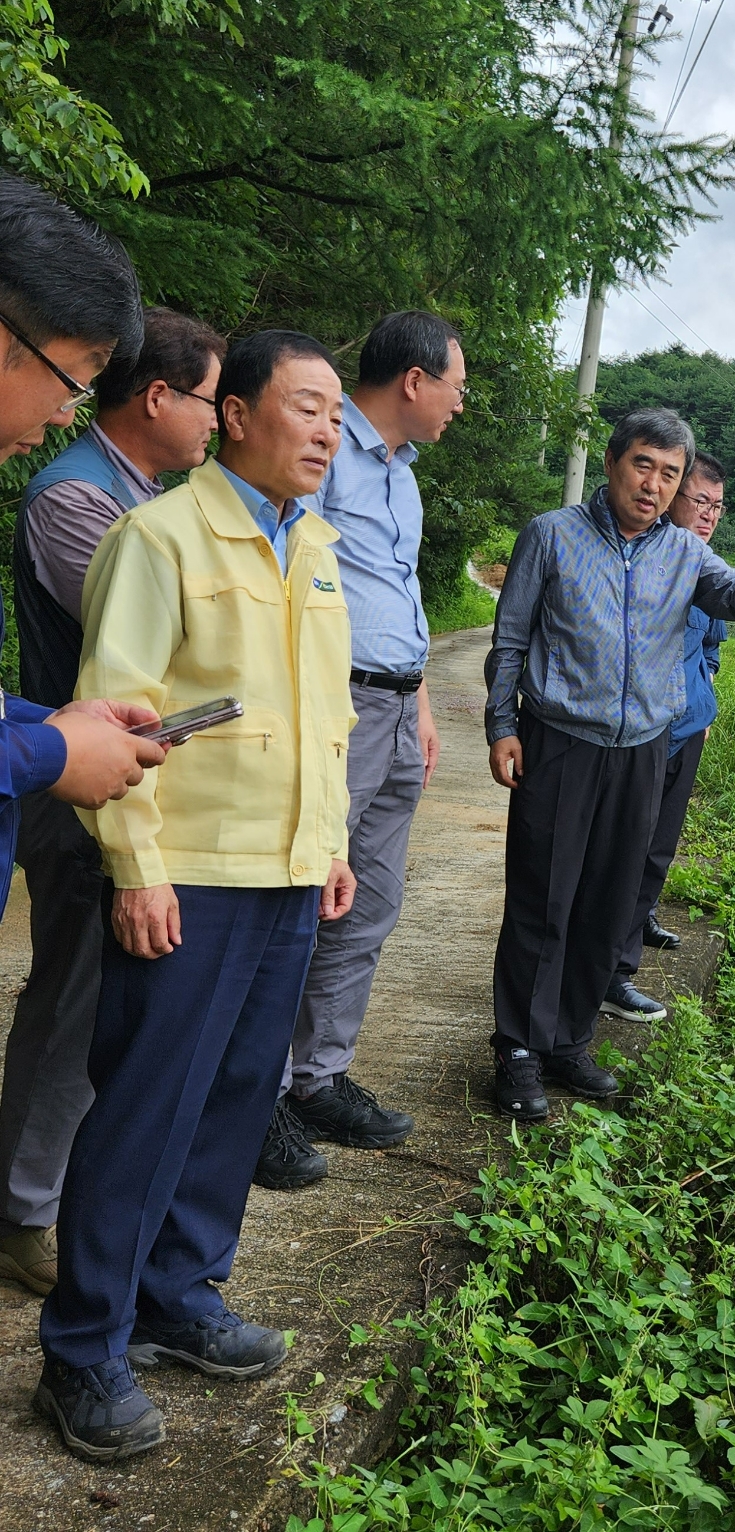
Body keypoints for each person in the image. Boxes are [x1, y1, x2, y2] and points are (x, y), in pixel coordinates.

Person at [36, 330, 358, 1462]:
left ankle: (179, 1294)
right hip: (191, 876)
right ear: (238, 416)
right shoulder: (159, 536)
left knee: (230, 1104)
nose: (326, 430)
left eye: (334, 415)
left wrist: (329, 842)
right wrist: (137, 866)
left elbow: (327, 714)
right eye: (306, 407)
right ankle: (81, 1348)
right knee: (143, 1111)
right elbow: (113, 711)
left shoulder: (315, 547)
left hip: (284, 872)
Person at [485, 408, 735, 1120]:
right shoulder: (552, 536)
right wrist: (501, 725)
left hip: (640, 752)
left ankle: (569, 1040)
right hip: (559, 742)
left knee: (607, 900)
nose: (654, 485)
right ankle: (518, 1050)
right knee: (544, 898)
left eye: (669, 473)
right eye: (643, 466)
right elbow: (509, 640)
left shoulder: (686, 555)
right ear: (612, 463)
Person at [0, 309, 226, 1298]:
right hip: (62, 781)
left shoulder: (147, 498)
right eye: (216, 399)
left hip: (97, 767)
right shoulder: (73, 500)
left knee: (106, 1003)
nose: (221, 422)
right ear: (161, 397)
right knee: (72, 997)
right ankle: (19, 1208)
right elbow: (158, 641)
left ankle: (48, 1191)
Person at [254, 311, 463, 1191]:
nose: (461, 403)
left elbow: (393, 586)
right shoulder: (321, 458)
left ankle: (317, 1078)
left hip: (395, 706)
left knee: (369, 901)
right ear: (415, 380)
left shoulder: (404, 480)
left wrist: (416, 697)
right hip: (335, 705)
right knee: (298, 895)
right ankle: (255, 1095)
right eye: (457, 385)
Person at [0, 174, 170, 874]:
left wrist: (47, 724)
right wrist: (55, 753)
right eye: (72, 381)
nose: (68, 413)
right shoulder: (71, 494)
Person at [601, 449, 729, 1024]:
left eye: (717, 507)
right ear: (672, 499)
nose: (708, 515)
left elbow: (711, 649)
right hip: (637, 736)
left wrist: (700, 716)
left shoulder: (711, 572)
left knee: (655, 853)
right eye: (698, 500)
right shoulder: (639, 566)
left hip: (687, 733)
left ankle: (622, 963)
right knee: (618, 856)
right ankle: (604, 968)